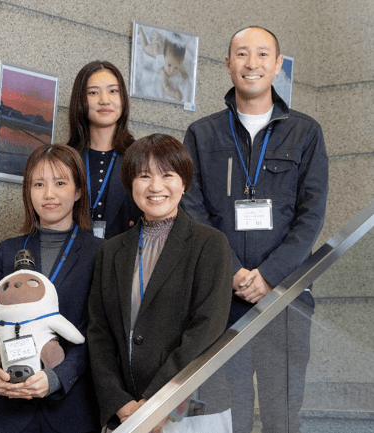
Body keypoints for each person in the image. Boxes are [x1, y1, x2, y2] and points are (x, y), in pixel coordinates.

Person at [181, 26, 328, 432]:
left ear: (278, 65)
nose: (252, 63)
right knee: (232, 416)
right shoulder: (201, 134)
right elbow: (192, 209)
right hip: (221, 300)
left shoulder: (306, 132)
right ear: (228, 64)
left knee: (283, 416)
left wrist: (269, 276)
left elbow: (311, 216)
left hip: (286, 299)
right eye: (242, 54)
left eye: (263, 54)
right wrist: (231, 272)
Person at [88, 133, 232, 430]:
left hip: (189, 408)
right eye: (144, 176)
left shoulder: (210, 243)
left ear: (184, 182)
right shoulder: (111, 251)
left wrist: (156, 401)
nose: (155, 186)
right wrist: (119, 401)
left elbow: (206, 330)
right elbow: (99, 332)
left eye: (167, 175)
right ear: (130, 184)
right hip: (127, 410)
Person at [0, 144, 102, 433]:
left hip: (69, 411)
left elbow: (97, 333)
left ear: (78, 191)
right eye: (39, 184)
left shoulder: (100, 253)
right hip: (4, 411)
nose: (49, 194)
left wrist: (57, 377)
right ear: (28, 191)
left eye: (60, 183)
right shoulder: (6, 252)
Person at [67, 60, 142, 240]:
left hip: (125, 253)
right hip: (73, 252)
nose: (104, 100)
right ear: (80, 99)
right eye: (93, 92)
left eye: (113, 91)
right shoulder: (65, 158)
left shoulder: (141, 157)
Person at [138, 26, 188, 100]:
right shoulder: (163, 70)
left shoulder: (177, 61)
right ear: (164, 58)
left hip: (163, 47)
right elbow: (166, 87)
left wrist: (183, 72)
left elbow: (181, 66)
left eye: (176, 68)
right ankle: (140, 31)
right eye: (169, 65)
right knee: (144, 47)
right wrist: (174, 93)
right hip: (156, 50)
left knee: (162, 43)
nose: (171, 71)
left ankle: (158, 37)